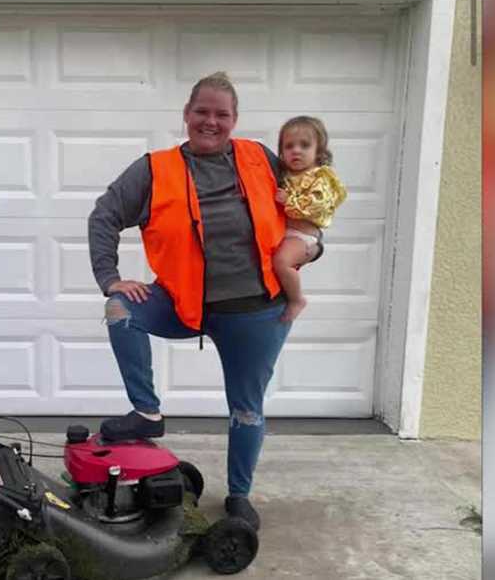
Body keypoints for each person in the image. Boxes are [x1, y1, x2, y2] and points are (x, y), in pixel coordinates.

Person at [87, 71, 296, 531]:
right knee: (120, 310)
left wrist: (312, 246)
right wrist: (111, 278)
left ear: (234, 119)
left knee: (246, 408)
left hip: (257, 310)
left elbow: (307, 207)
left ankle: (239, 496)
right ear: (186, 115)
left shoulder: (260, 158)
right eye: (202, 111)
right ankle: (146, 412)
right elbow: (104, 216)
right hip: (185, 303)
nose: (211, 121)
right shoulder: (154, 169)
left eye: (222, 114)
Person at [271, 116, 348, 323]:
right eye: (289, 146)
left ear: (319, 152)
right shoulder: (284, 175)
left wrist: (289, 201)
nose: (296, 150)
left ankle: (297, 299)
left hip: (303, 235)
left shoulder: (321, 177)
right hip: (285, 233)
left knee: (281, 262)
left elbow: (315, 206)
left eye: (304, 145)